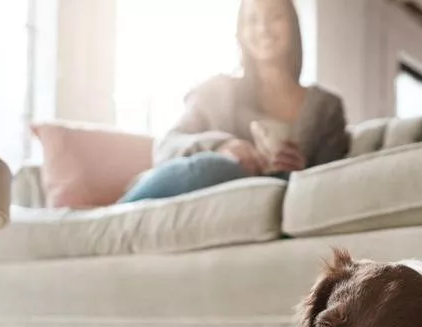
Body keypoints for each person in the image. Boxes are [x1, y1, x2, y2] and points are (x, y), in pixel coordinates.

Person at [120, 0, 349, 204]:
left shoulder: (325, 107)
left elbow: (332, 187)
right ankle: (109, 221)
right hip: (193, 195)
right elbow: (166, 147)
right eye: (252, 20)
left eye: (275, 16)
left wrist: (302, 171)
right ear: (240, 31)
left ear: (293, 24)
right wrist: (221, 147)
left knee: (284, 181)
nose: (263, 29)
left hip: (266, 207)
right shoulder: (217, 91)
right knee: (222, 167)